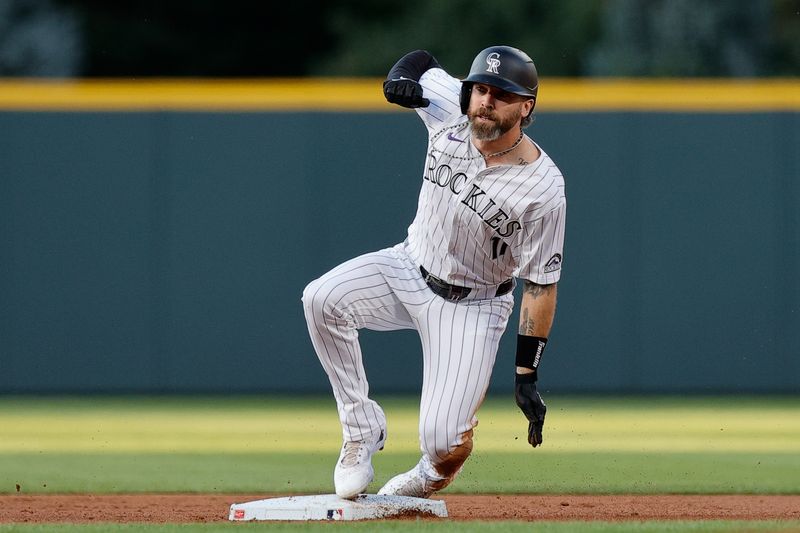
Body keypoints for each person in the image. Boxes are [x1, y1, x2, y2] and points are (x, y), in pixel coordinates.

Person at [302, 45, 566, 500]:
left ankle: (429, 475)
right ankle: (361, 429)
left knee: (443, 441)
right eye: (480, 88)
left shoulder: (545, 188)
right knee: (321, 300)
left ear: (526, 106)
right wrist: (397, 76)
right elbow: (420, 61)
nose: (486, 100)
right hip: (408, 266)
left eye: (501, 93)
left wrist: (527, 376)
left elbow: (540, 284)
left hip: (475, 304)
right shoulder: (452, 106)